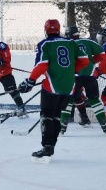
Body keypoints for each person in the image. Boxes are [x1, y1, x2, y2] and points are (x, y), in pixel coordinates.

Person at [18, 19, 89, 161]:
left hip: (52, 85)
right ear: (58, 30)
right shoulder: (71, 43)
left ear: (45, 30)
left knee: (46, 115)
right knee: (56, 116)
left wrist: (30, 81)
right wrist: (70, 71)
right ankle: (51, 146)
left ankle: (46, 147)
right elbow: (85, 61)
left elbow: (42, 65)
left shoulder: (44, 44)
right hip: (69, 85)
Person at [60, 26, 106, 134]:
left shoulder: (67, 44)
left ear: (69, 35)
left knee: (68, 100)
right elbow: (102, 53)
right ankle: (104, 125)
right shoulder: (88, 42)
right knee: (94, 100)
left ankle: (63, 127)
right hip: (90, 76)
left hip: (74, 76)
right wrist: (91, 61)